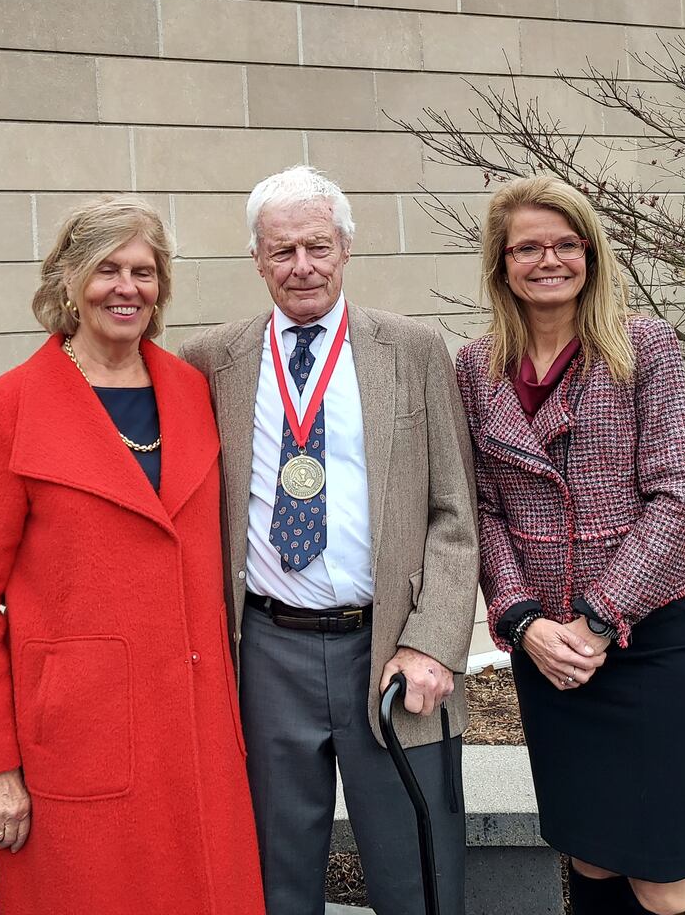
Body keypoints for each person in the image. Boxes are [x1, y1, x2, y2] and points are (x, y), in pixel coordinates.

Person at [0, 195, 265, 915]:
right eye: (106, 269)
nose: (127, 287)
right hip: (77, 731)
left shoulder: (189, 388)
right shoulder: (11, 404)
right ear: (67, 282)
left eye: (144, 272)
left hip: (198, 718)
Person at [181, 165, 479, 915]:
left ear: (345, 248)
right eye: (282, 251)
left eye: (317, 246)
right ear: (256, 259)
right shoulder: (212, 359)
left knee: (417, 873)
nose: (302, 267)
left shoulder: (411, 349)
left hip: (389, 650)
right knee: (274, 876)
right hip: (267, 652)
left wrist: (435, 641)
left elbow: (455, 512)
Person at [455, 176, 685, 915]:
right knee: (592, 862)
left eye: (566, 244)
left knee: (662, 879)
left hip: (652, 646)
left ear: (591, 255)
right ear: (502, 263)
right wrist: (521, 620)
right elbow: (483, 509)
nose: (549, 260)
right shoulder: (476, 369)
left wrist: (598, 619)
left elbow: (679, 499)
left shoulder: (644, 347)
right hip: (547, 656)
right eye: (528, 247)